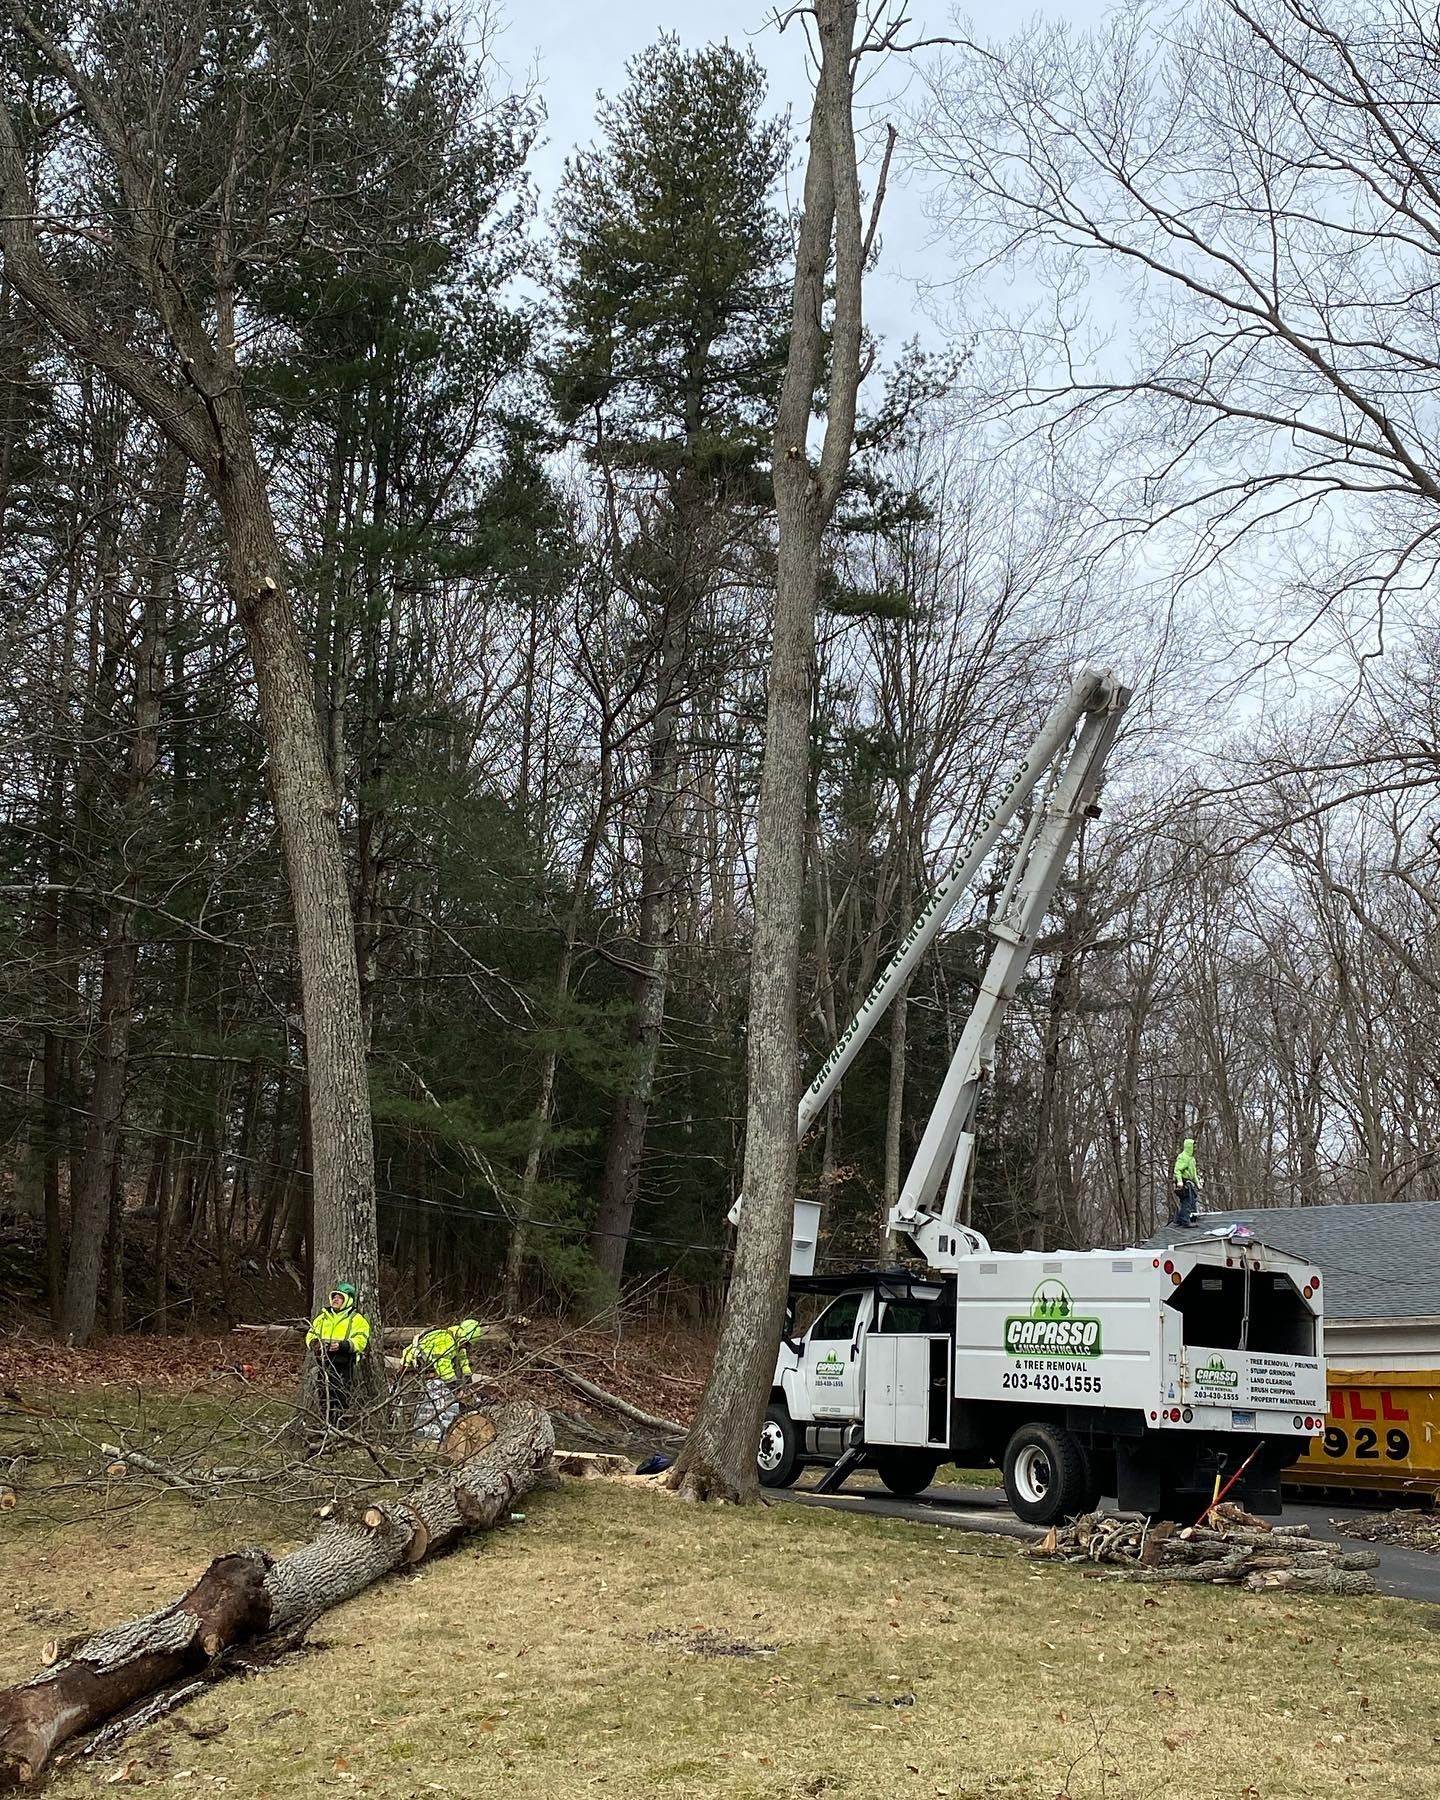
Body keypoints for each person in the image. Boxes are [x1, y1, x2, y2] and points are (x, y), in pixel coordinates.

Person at [401, 1318, 485, 1443]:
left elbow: (463, 1362)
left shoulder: (457, 1342)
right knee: (410, 1404)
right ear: (463, 1337)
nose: (466, 1347)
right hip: (411, 1368)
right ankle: (406, 1434)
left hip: (426, 1369)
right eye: (466, 1343)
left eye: (468, 1345)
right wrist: (455, 1389)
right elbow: (444, 1368)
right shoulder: (445, 1340)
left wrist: (467, 1382)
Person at [305, 1282, 372, 1429]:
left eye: (339, 1297)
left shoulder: (357, 1320)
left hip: (344, 1364)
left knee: (341, 1399)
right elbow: (310, 1334)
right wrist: (316, 1343)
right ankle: (325, 1428)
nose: (335, 1299)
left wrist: (343, 1346)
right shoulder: (322, 1317)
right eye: (334, 1296)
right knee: (324, 1397)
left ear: (347, 1300)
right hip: (323, 1362)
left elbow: (361, 1341)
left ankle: (339, 1430)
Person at [1173, 1138, 1201, 1227]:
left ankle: (1179, 1219)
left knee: (1192, 1200)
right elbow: (1177, 1169)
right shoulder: (1183, 1157)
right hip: (1184, 1183)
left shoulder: (1192, 1159)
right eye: (1194, 1146)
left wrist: (1198, 1184)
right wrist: (1180, 1182)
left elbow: (1194, 1174)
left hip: (1189, 1182)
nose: (1195, 1148)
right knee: (1187, 1201)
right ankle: (1185, 1221)